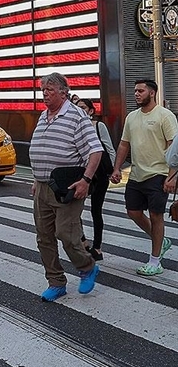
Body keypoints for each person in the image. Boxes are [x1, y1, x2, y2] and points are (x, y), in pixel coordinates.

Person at [29, 73, 102, 302]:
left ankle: (87, 266)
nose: (45, 94)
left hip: (68, 187)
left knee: (66, 234)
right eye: (43, 90)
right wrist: (36, 179)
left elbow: (95, 150)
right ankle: (56, 281)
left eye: (50, 90)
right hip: (42, 187)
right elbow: (43, 150)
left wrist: (86, 180)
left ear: (63, 91)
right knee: (44, 237)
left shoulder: (76, 116)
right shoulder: (43, 116)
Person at [109, 79, 178, 276]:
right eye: (135, 91)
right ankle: (161, 241)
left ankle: (155, 261)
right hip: (136, 173)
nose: (136, 94)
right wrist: (117, 168)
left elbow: (175, 147)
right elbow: (124, 144)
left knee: (157, 216)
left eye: (141, 91)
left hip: (159, 173)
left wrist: (172, 177)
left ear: (152, 93)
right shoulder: (132, 117)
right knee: (133, 211)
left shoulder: (165, 116)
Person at [75, 98, 116, 261]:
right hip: (80, 175)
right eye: (77, 108)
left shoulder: (99, 126)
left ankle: (97, 247)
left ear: (91, 111)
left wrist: (112, 170)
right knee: (75, 211)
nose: (80, 111)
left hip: (99, 175)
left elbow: (109, 149)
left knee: (95, 211)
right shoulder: (74, 127)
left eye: (84, 108)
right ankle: (84, 242)